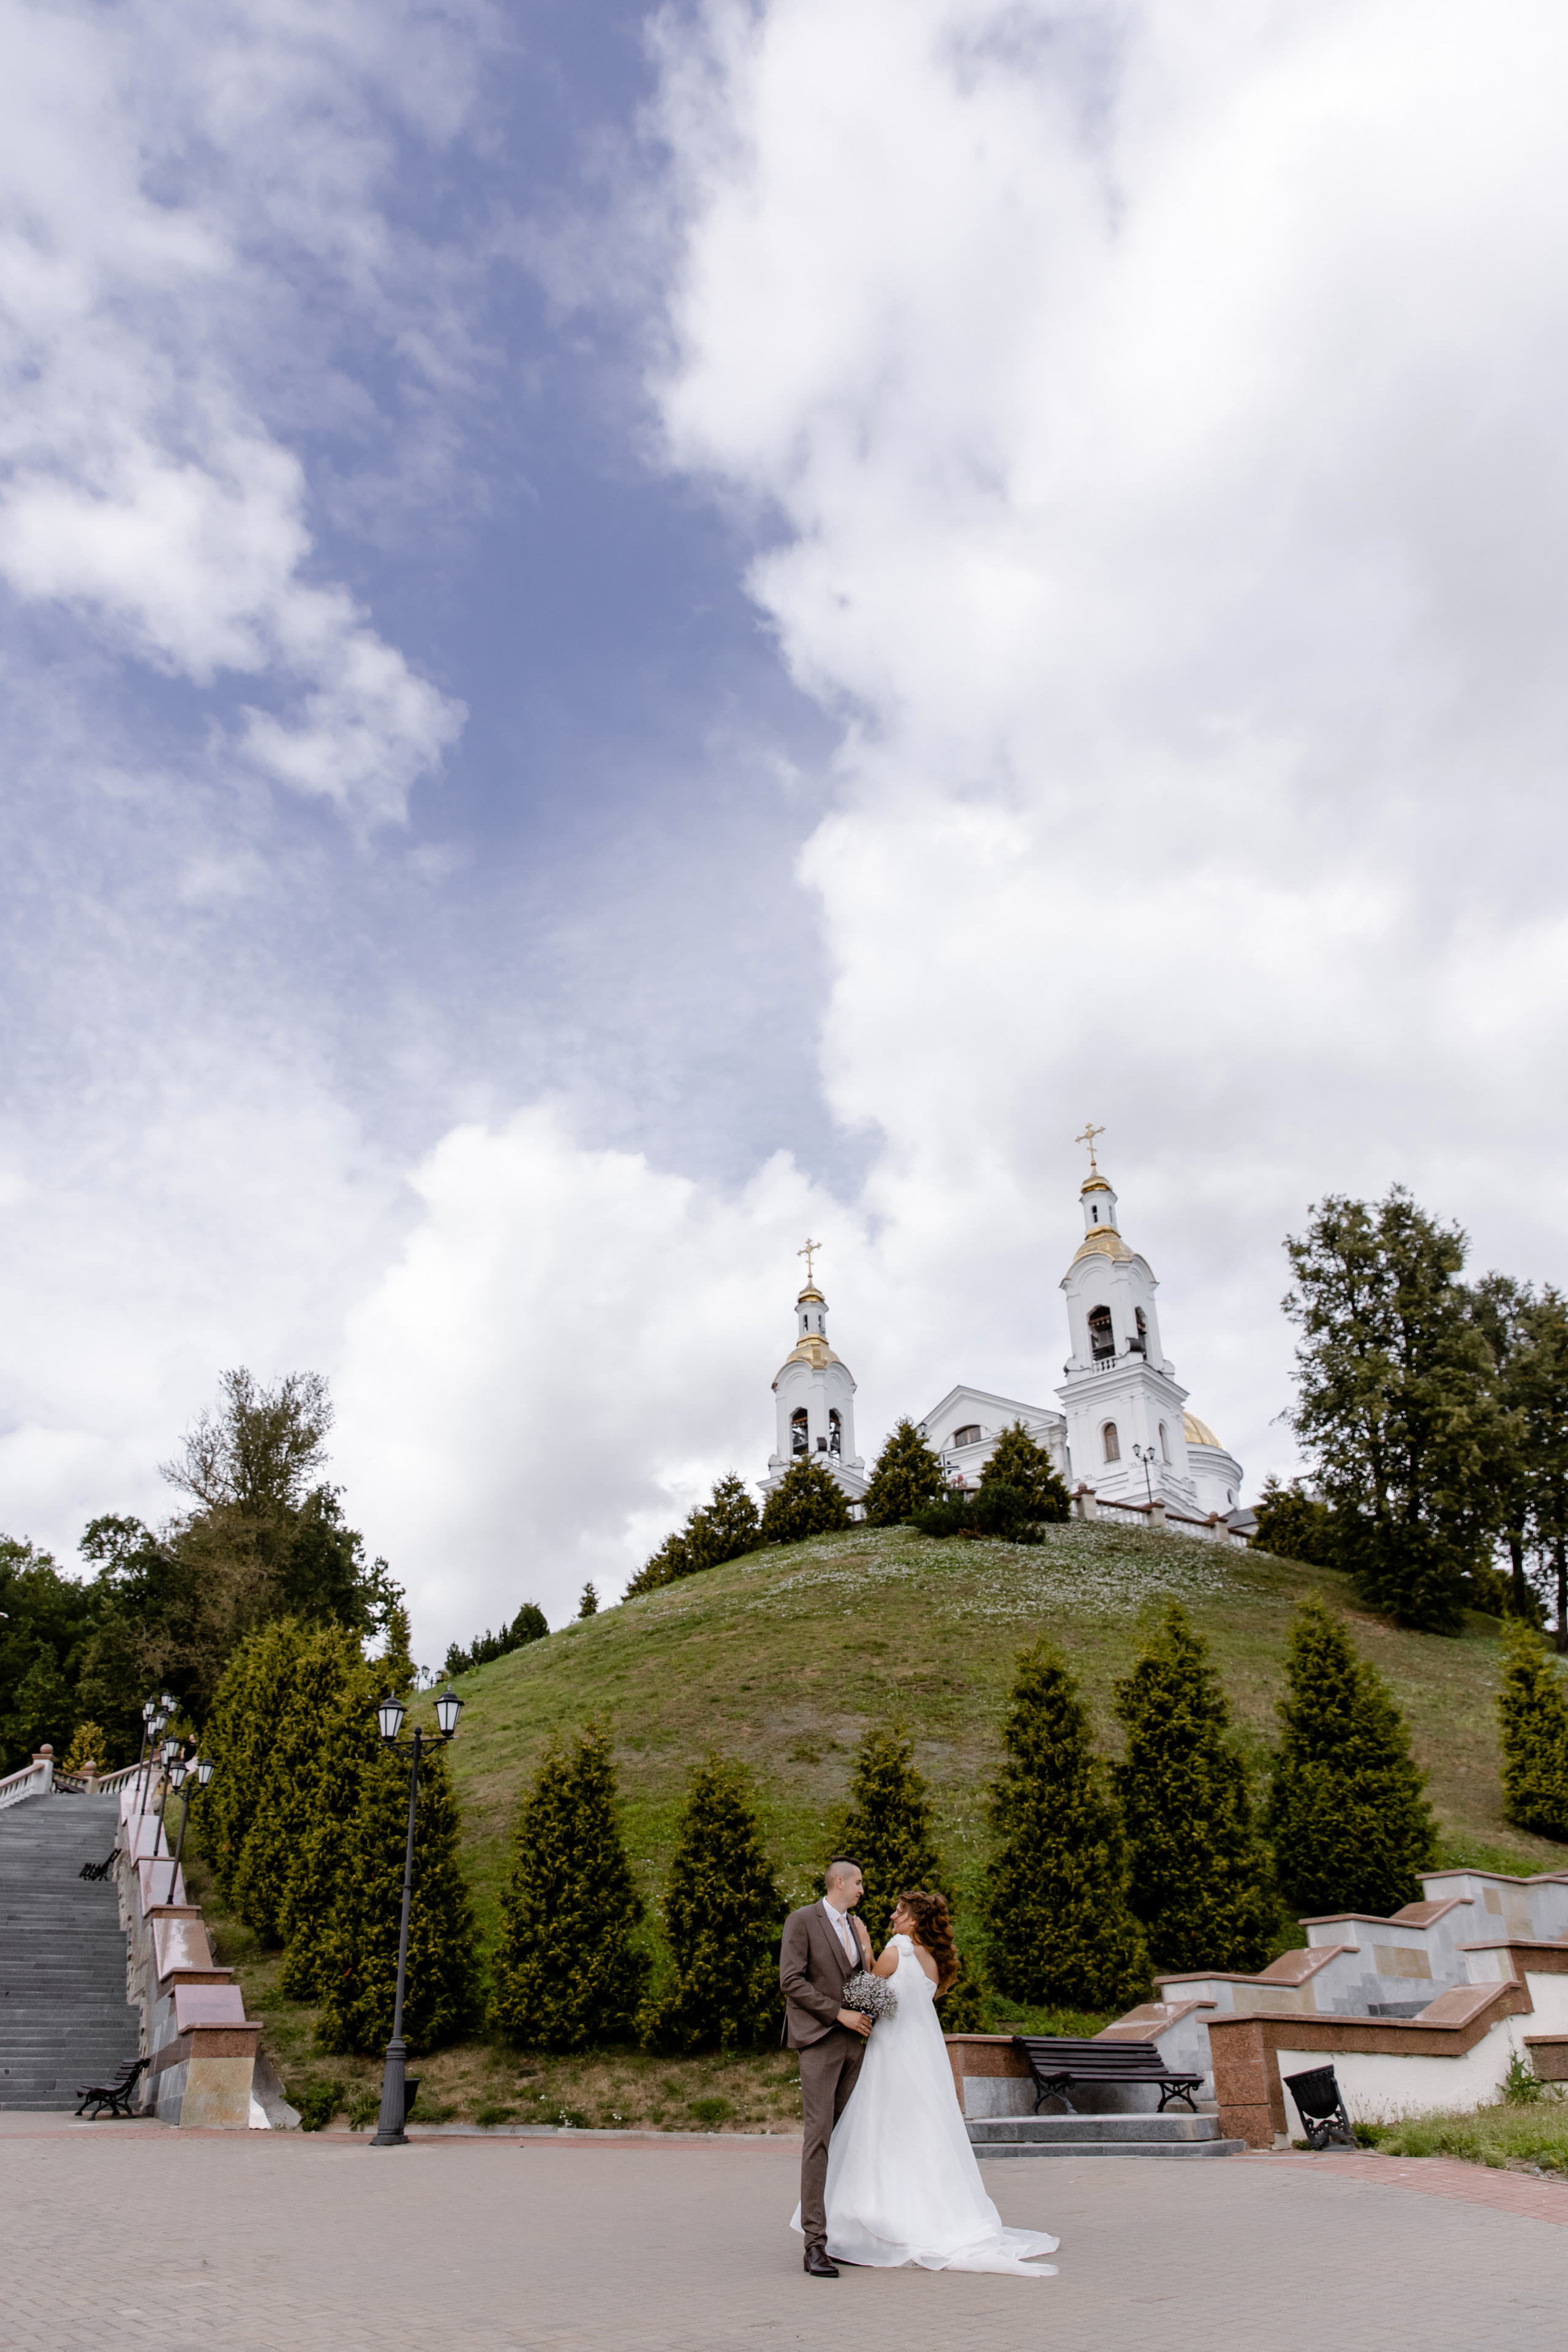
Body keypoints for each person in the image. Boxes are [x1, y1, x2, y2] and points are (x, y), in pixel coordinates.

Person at [792, 1888, 1060, 2279]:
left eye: (899, 1911)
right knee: (920, 2133)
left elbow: (865, 1993)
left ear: (914, 1920)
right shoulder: (931, 1962)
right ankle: (928, 2212)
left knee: (881, 2132)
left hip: (891, 2054)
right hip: (921, 2057)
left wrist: (865, 1944)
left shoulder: (897, 1949)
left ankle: (874, 2220)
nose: (893, 1916)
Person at [778, 1858, 876, 2278]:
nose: (862, 1890)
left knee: (851, 2137)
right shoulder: (802, 1921)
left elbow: (861, 1979)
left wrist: (867, 1952)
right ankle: (814, 2244)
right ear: (839, 1881)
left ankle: (848, 2233)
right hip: (819, 2040)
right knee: (818, 2138)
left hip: (857, 2042)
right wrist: (839, 2014)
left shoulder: (856, 1926)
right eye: (859, 1883)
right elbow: (791, 1981)